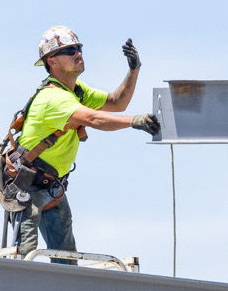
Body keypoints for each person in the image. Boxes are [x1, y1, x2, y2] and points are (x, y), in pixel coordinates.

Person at [13, 26, 161, 264]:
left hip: (52, 187)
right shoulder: (53, 98)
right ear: (52, 61)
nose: (78, 53)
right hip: (28, 188)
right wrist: (134, 121)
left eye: (79, 48)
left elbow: (116, 102)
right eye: (70, 50)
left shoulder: (76, 92)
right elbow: (94, 119)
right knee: (22, 260)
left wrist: (134, 70)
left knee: (67, 262)